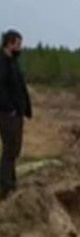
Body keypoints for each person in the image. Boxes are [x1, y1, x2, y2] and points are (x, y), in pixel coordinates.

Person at [0, 30, 32, 199]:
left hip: (16, 113)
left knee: (15, 149)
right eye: (18, 44)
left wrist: (24, 109)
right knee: (9, 149)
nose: (20, 48)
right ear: (9, 44)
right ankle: (6, 187)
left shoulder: (13, 63)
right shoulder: (3, 64)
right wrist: (9, 108)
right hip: (8, 114)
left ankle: (11, 182)